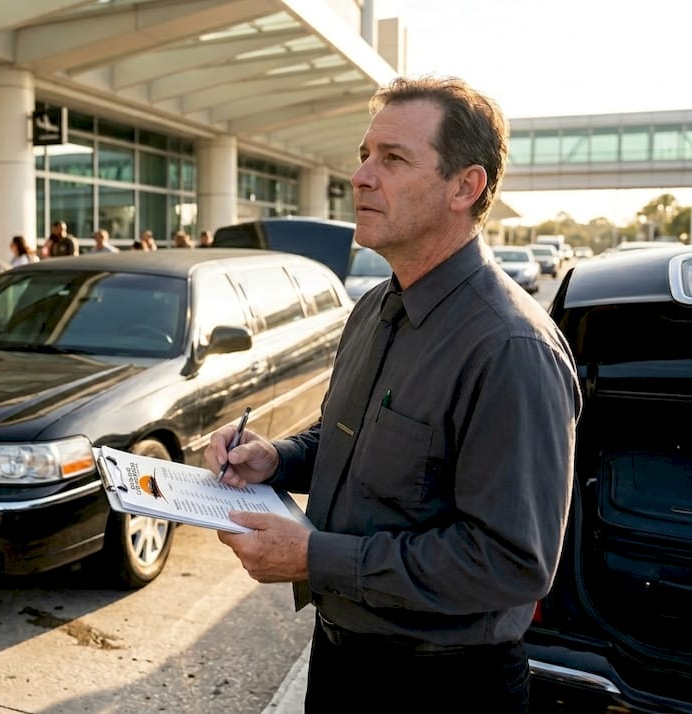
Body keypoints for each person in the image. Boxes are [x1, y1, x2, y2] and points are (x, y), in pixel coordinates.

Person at [204, 76, 581, 713]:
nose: (361, 177)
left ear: (467, 186)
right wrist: (280, 459)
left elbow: (510, 562)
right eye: (364, 155)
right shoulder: (376, 307)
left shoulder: (511, 348)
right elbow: (355, 443)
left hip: (445, 689)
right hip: (342, 660)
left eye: (394, 158)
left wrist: (313, 557)